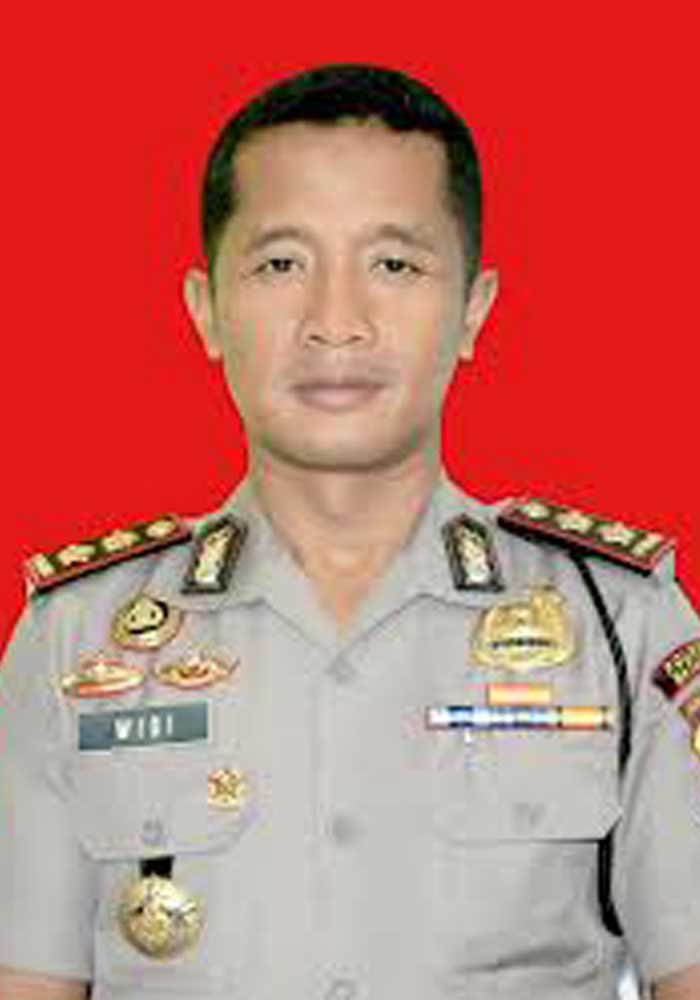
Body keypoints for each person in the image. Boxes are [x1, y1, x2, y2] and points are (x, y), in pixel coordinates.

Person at [0, 63, 698, 1000]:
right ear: (206, 310)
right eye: (282, 264)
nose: (336, 323)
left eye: (394, 265)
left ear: (474, 309)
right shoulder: (75, 643)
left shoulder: (624, 626)